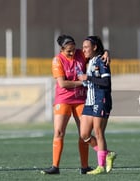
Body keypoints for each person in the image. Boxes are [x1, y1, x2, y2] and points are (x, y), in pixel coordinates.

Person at [41, 35, 109, 175]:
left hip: (81, 99)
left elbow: (97, 53)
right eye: (68, 51)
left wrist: (107, 52)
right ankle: (55, 166)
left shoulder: (80, 54)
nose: (72, 53)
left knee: (84, 134)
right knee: (59, 132)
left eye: (73, 50)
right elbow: (63, 84)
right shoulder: (57, 60)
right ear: (62, 49)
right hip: (63, 99)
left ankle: (85, 166)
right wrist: (84, 82)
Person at [78, 36, 116, 175]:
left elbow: (106, 83)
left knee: (98, 132)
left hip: (101, 100)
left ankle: (100, 166)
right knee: (84, 134)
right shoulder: (90, 61)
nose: (84, 50)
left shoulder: (101, 61)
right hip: (89, 101)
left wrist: (88, 78)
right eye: (83, 47)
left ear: (94, 47)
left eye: (86, 47)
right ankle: (108, 154)